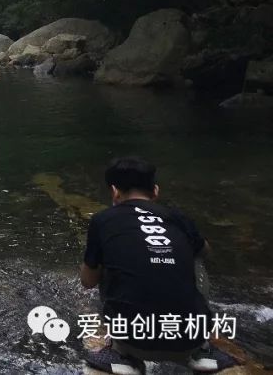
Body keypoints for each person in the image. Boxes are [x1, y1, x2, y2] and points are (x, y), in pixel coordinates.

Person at [81, 157, 240, 375]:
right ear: (155, 191)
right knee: (195, 254)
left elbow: (88, 282)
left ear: (115, 192)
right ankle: (202, 349)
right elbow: (206, 252)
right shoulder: (177, 217)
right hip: (189, 339)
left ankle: (120, 353)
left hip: (132, 339)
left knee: (108, 261)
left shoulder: (103, 220)